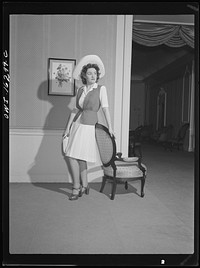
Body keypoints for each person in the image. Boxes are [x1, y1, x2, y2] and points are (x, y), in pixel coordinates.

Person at [63, 55, 114, 200]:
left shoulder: (101, 89)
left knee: (73, 156)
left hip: (88, 126)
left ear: (98, 75)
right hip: (77, 124)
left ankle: (76, 187)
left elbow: (105, 109)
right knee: (79, 157)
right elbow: (75, 110)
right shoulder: (80, 90)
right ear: (84, 75)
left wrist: (110, 127)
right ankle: (84, 185)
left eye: (95, 73)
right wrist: (67, 128)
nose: (93, 75)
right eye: (90, 73)